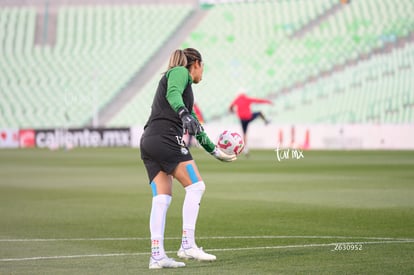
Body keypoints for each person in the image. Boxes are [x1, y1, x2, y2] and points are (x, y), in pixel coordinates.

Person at [140, 48, 236, 269]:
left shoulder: (184, 87)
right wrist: (182, 112)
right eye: (203, 67)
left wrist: (215, 151)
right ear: (196, 64)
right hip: (166, 138)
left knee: (162, 199)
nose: (203, 72)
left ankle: (157, 255)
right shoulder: (180, 73)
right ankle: (187, 244)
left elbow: (194, 124)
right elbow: (173, 93)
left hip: (149, 141)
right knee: (196, 186)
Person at [229, 91, 272, 155]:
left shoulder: (237, 100)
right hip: (249, 117)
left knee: (244, 134)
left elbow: (230, 107)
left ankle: (245, 148)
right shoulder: (246, 98)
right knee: (260, 113)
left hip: (242, 119)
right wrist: (267, 101)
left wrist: (233, 111)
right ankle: (266, 121)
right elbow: (257, 100)